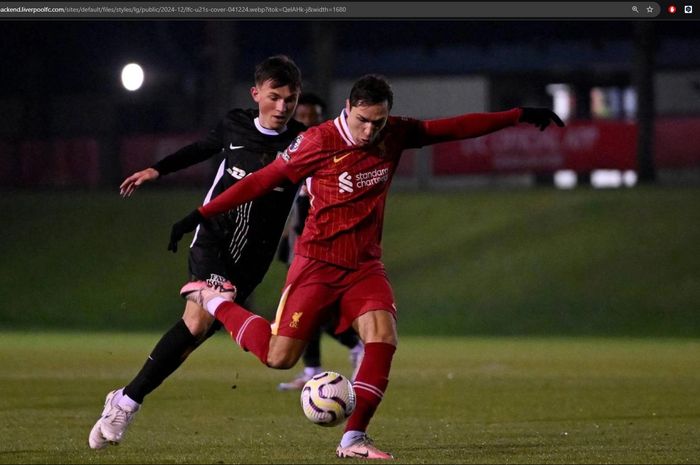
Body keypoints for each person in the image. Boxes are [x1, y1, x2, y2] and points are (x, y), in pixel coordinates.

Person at [168, 74, 565, 459]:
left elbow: (455, 127)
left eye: (377, 122)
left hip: (363, 266)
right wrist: (200, 214)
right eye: (362, 121)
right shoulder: (316, 141)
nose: (368, 131)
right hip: (316, 265)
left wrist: (517, 115)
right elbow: (260, 181)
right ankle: (212, 300)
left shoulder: (394, 132)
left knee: (383, 336)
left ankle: (353, 438)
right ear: (347, 109)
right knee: (278, 357)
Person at [88, 55, 307, 450]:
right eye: (273, 97)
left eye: (289, 100)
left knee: (197, 327)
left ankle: (123, 398)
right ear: (255, 93)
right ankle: (128, 403)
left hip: (253, 257)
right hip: (215, 238)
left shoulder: (303, 142)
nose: (281, 107)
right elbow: (201, 148)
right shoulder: (234, 124)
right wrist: (157, 170)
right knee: (201, 315)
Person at [276, 92, 364, 391]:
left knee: (313, 309)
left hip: (321, 241)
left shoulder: (329, 146)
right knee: (305, 309)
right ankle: (314, 367)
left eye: (312, 116)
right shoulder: (292, 145)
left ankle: (354, 345)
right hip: (299, 237)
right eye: (301, 116)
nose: (306, 121)